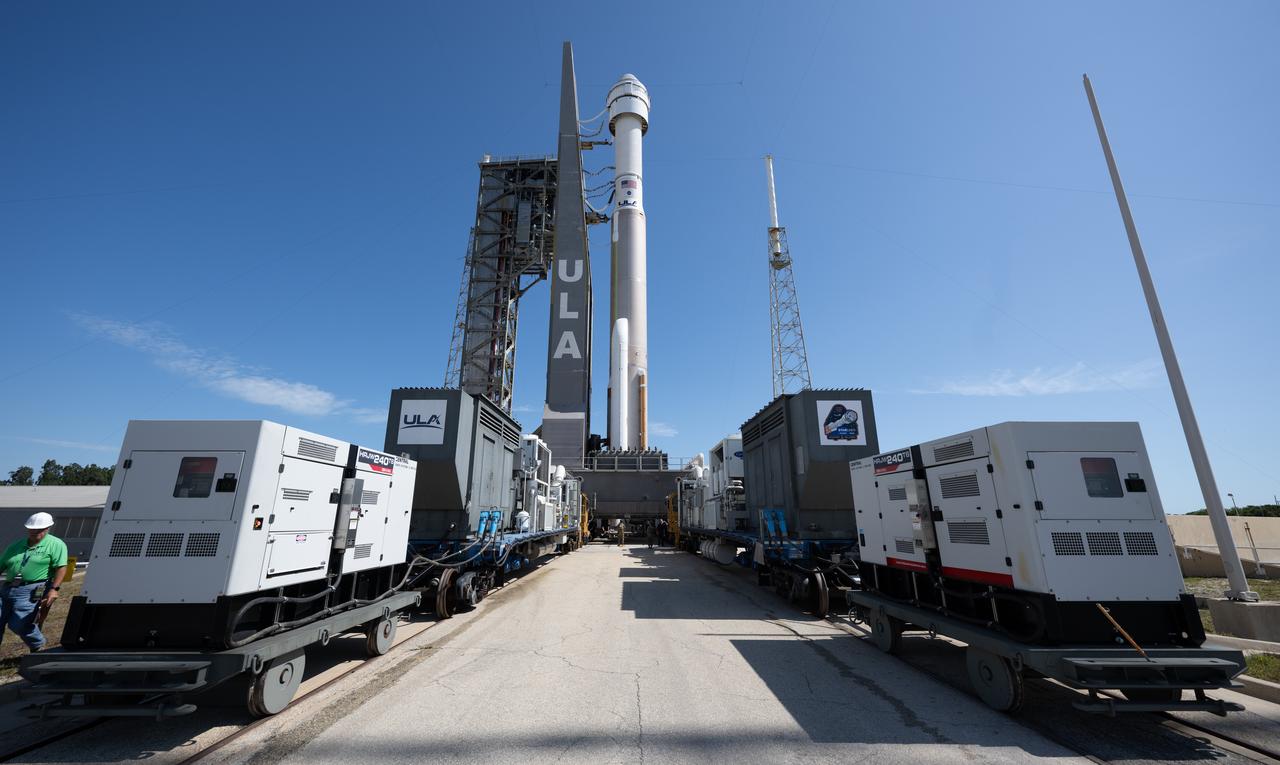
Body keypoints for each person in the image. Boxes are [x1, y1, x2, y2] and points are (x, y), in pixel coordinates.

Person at [0, 512, 68, 652]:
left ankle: (38, 644)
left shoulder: (56, 545)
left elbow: (61, 567)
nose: (34, 532)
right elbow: (2, 564)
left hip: (32, 589)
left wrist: (54, 589)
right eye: (31, 529)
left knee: (18, 624)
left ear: (48, 528)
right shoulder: (16, 546)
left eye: (38, 530)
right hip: (7, 588)